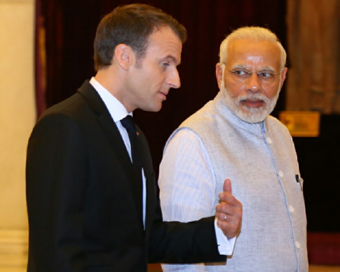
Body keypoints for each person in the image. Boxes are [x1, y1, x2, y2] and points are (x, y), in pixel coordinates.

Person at [26, 4, 243, 272]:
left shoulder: (134, 134)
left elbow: (146, 238)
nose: (175, 80)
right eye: (165, 64)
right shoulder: (64, 125)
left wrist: (218, 230)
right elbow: (56, 255)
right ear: (125, 56)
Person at [159, 26, 308, 271]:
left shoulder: (281, 133)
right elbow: (181, 260)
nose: (253, 86)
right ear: (219, 74)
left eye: (266, 74)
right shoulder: (193, 141)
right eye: (240, 72)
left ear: (282, 78)